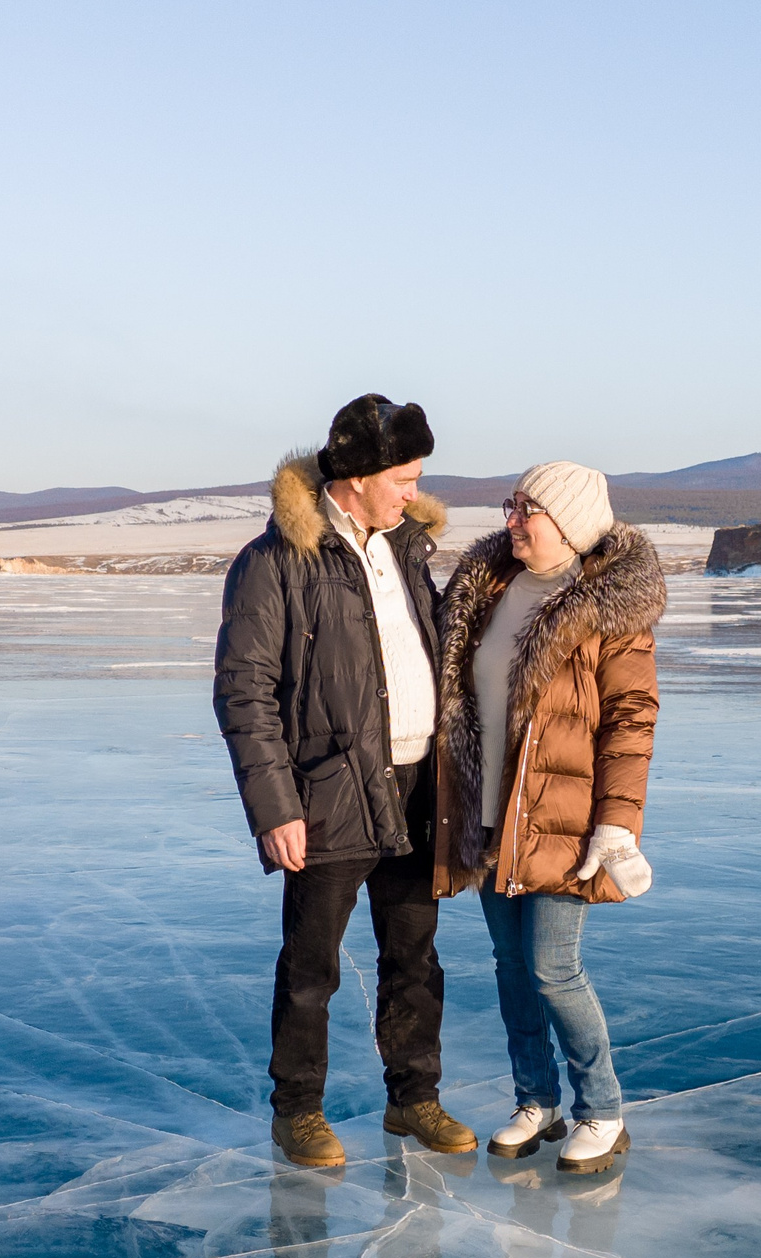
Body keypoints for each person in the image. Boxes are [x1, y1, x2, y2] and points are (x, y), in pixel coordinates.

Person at [214, 394, 480, 1169]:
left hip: (416, 783)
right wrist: (275, 808)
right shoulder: (276, 563)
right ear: (357, 476)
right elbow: (246, 693)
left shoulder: (406, 548)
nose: (413, 491)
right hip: (327, 790)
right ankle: (297, 1110)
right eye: (402, 476)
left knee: (414, 956)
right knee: (311, 967)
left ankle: (414, 1098)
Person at [433, 461, 663, 1176]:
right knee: (509, 968)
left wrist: (617, 823)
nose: (509, 521)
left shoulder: (609, 608)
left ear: (565, 522)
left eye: (523, 509)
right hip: (490, 816)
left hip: (564, 818)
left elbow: (631, 722)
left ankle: (602, 1110)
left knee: (552, 968)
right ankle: (537, 1100)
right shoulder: (489, 589)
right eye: (509, 505)